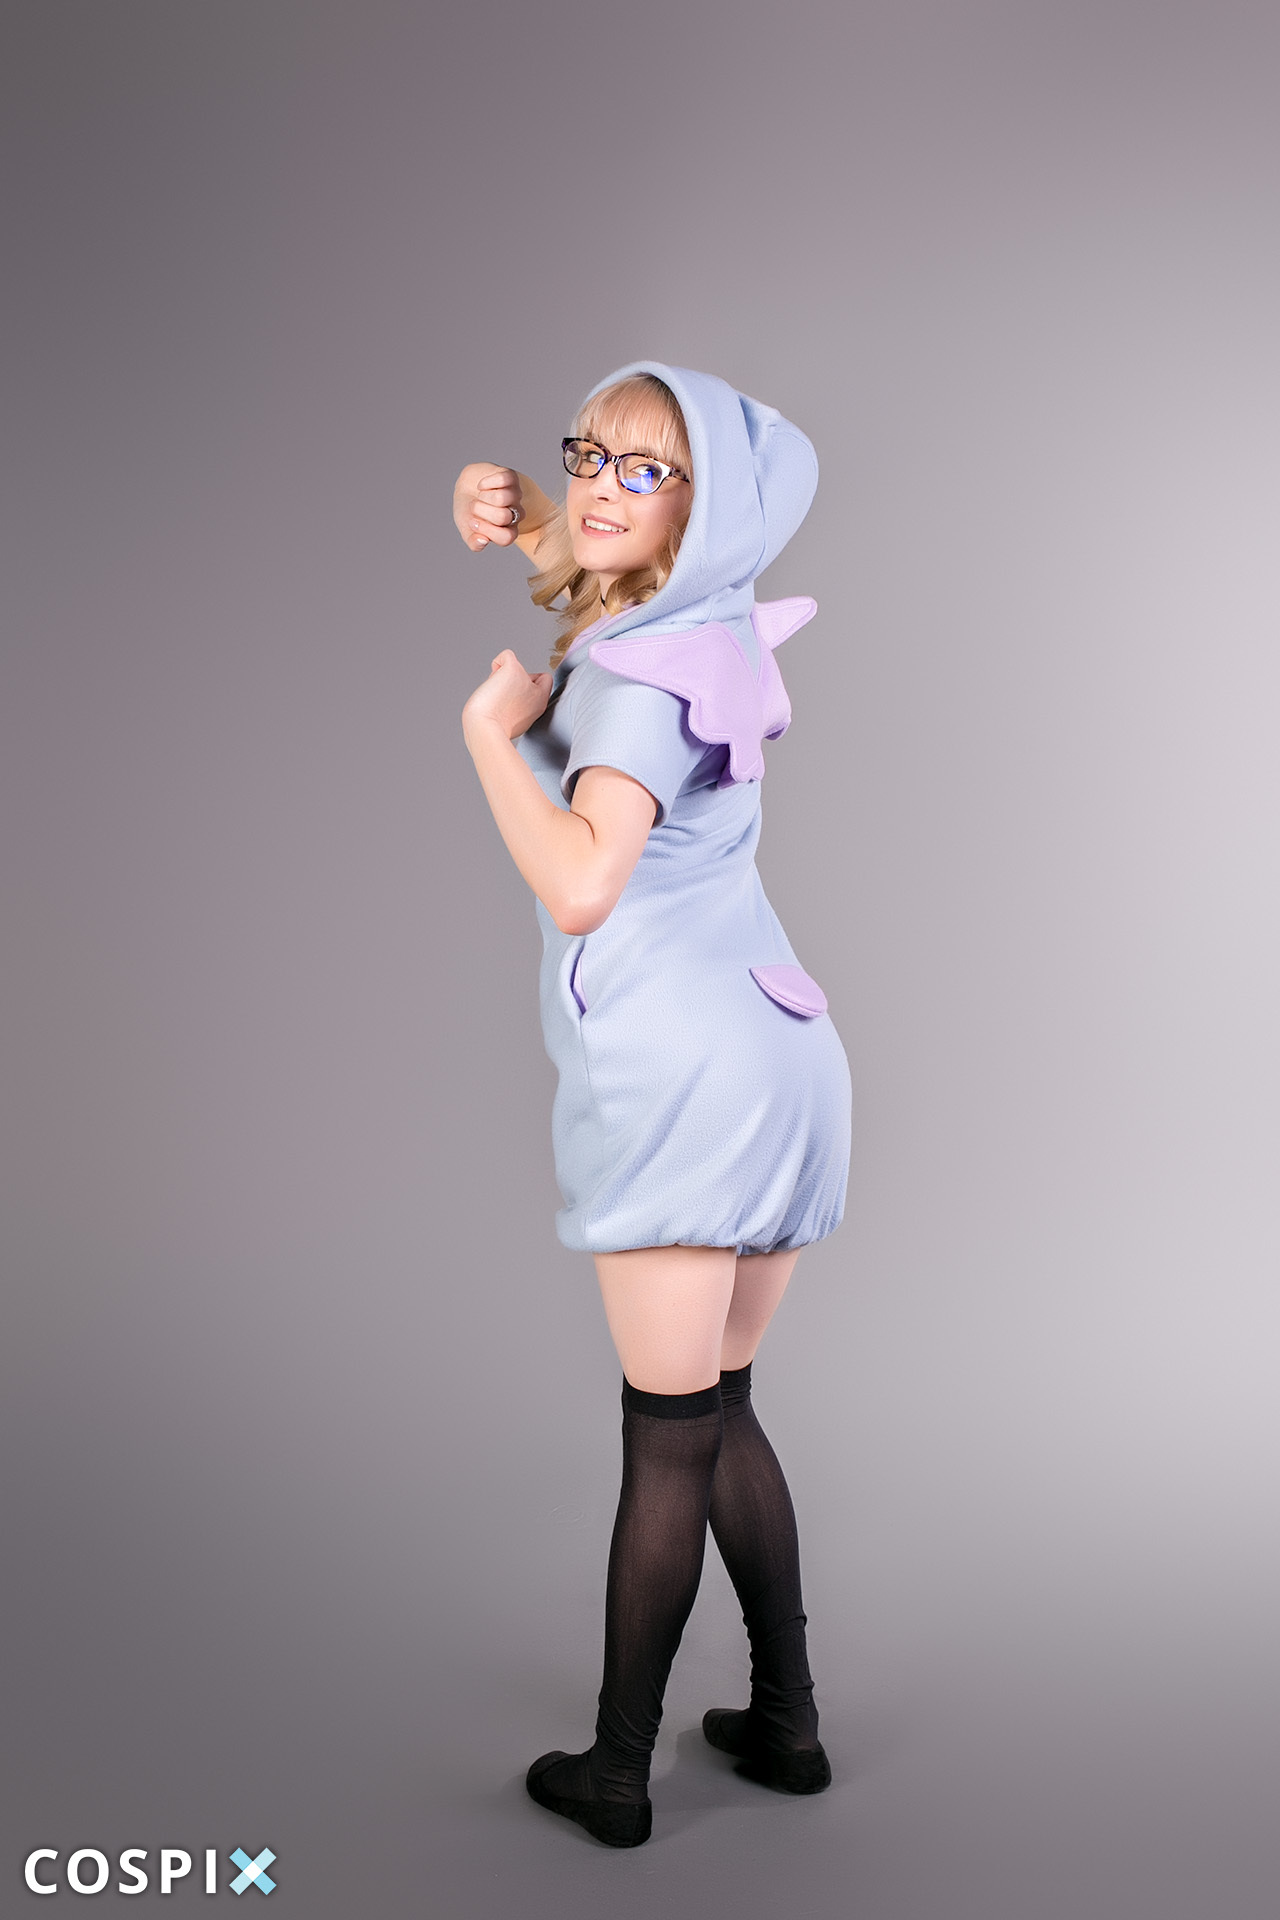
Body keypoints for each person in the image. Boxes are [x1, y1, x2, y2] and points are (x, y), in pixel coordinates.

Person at [453, 363, 851, 1848]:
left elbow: (581, 883)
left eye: (646, 469)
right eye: (591, 455)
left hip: (688, 1078)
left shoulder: (632, 681)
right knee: (722, 1409)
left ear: (709, 508)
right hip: (784, 1051)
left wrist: (489, 736)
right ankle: (786, 1724)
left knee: (669, 1434)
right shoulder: (707, 615)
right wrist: (513, 512)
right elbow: (601, 556)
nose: (601, 489)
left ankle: (617, 1771)